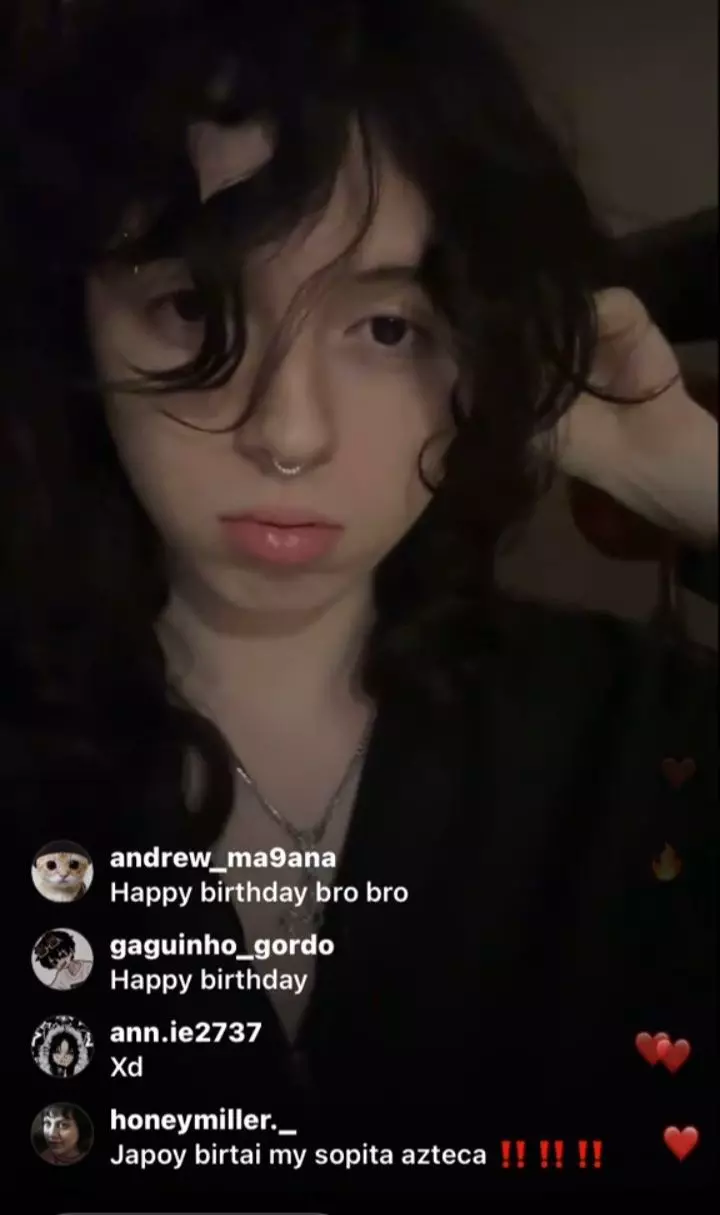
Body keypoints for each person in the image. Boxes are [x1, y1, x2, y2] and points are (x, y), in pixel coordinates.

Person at [3, 0, 716, 1203]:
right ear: (73, 320)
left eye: (388, 326)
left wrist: (699, 488)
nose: (290, 434)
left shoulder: (641, 732)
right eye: (195, 309)